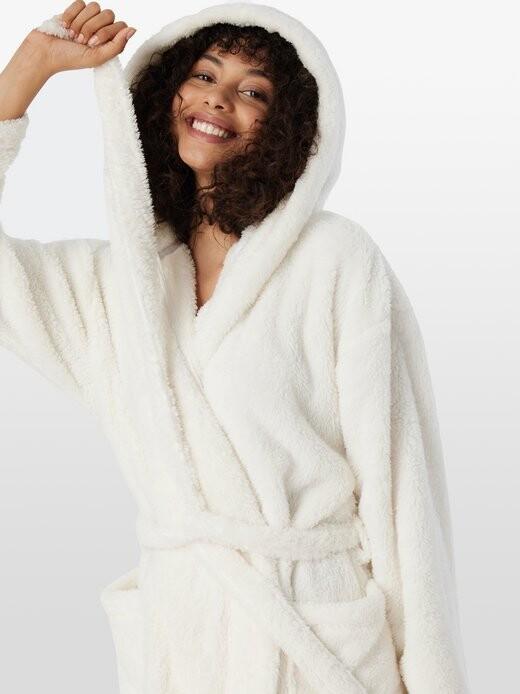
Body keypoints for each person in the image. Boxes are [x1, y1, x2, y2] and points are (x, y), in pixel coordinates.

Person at [0, 2, 471, 693]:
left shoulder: (334, 259)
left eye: (253, 91)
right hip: (181, 641)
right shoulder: (115, 289)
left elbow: (401, 488)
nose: (218, 98)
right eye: (203, 75)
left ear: (288, 128)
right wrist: (28, 70)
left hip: (315, 642)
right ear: (166, 94)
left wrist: (431, 678)